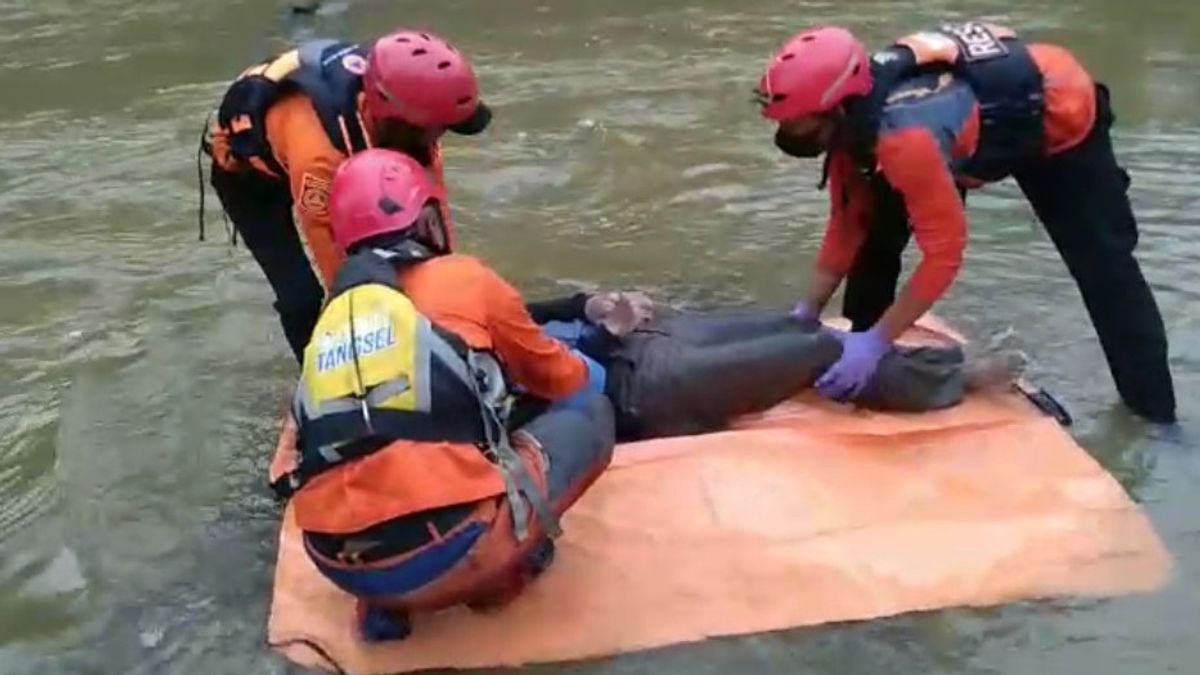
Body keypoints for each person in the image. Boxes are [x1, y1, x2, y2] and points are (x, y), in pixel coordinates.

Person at [271, 149, 615, 641]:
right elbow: (566, 381)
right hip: (458, 552)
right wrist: (601, 343)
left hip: (337, 563)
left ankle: (385, 606)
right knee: (589, 415)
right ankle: (502, 575)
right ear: (426, 218)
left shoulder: (333, 320)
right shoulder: (465, 277)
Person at [755, 22, 1175, 423]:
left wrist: (875, 343)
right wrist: (806, 313)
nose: (787, 131)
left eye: (795, 121)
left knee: (1106, 271)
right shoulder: (852, 124)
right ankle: (869, 375)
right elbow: (848, 223)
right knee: (875, 240)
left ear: (835, 109)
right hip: (961, 130)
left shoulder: (905, 138)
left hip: (1057, 115)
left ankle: (1153, 416)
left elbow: (944, 256)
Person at [203, 28, 492, 361]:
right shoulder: (322, 154)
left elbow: (433, 214)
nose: (439, 136)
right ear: (400, 120)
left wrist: (444, 294)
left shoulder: (413, 119)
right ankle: (314, 374)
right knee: (302, 297)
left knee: (413, 264)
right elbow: (339, 270)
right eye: (437, 128)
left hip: (314, 149)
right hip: (252, 178)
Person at [520, 292, 1027, 442]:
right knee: (818, 353)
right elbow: (530, 391)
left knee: (798, 328)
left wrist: (587, 303)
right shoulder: (447, 370)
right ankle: (952, 379)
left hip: (639, 344)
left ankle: (914, 365)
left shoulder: (447, 291)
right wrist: (600, 336)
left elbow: (525, 313)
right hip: (637, 389)